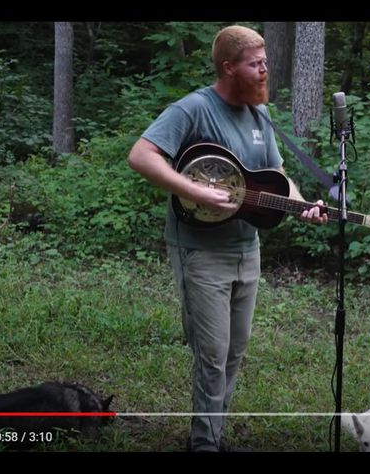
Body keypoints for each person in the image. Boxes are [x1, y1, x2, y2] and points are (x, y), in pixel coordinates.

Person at [127, 25, 328, 452]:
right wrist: (193, 190)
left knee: (234, 353)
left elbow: (277, 177)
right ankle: (203, 444)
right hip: (201, 252)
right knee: (212, 356)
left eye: (266, 63)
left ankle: (213, 437)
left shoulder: (260, 114)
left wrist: (303, 202)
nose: (264, 71)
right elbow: (141, 155)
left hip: (246, 250)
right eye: (256, 64)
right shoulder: (193, 109)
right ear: (229, 67)